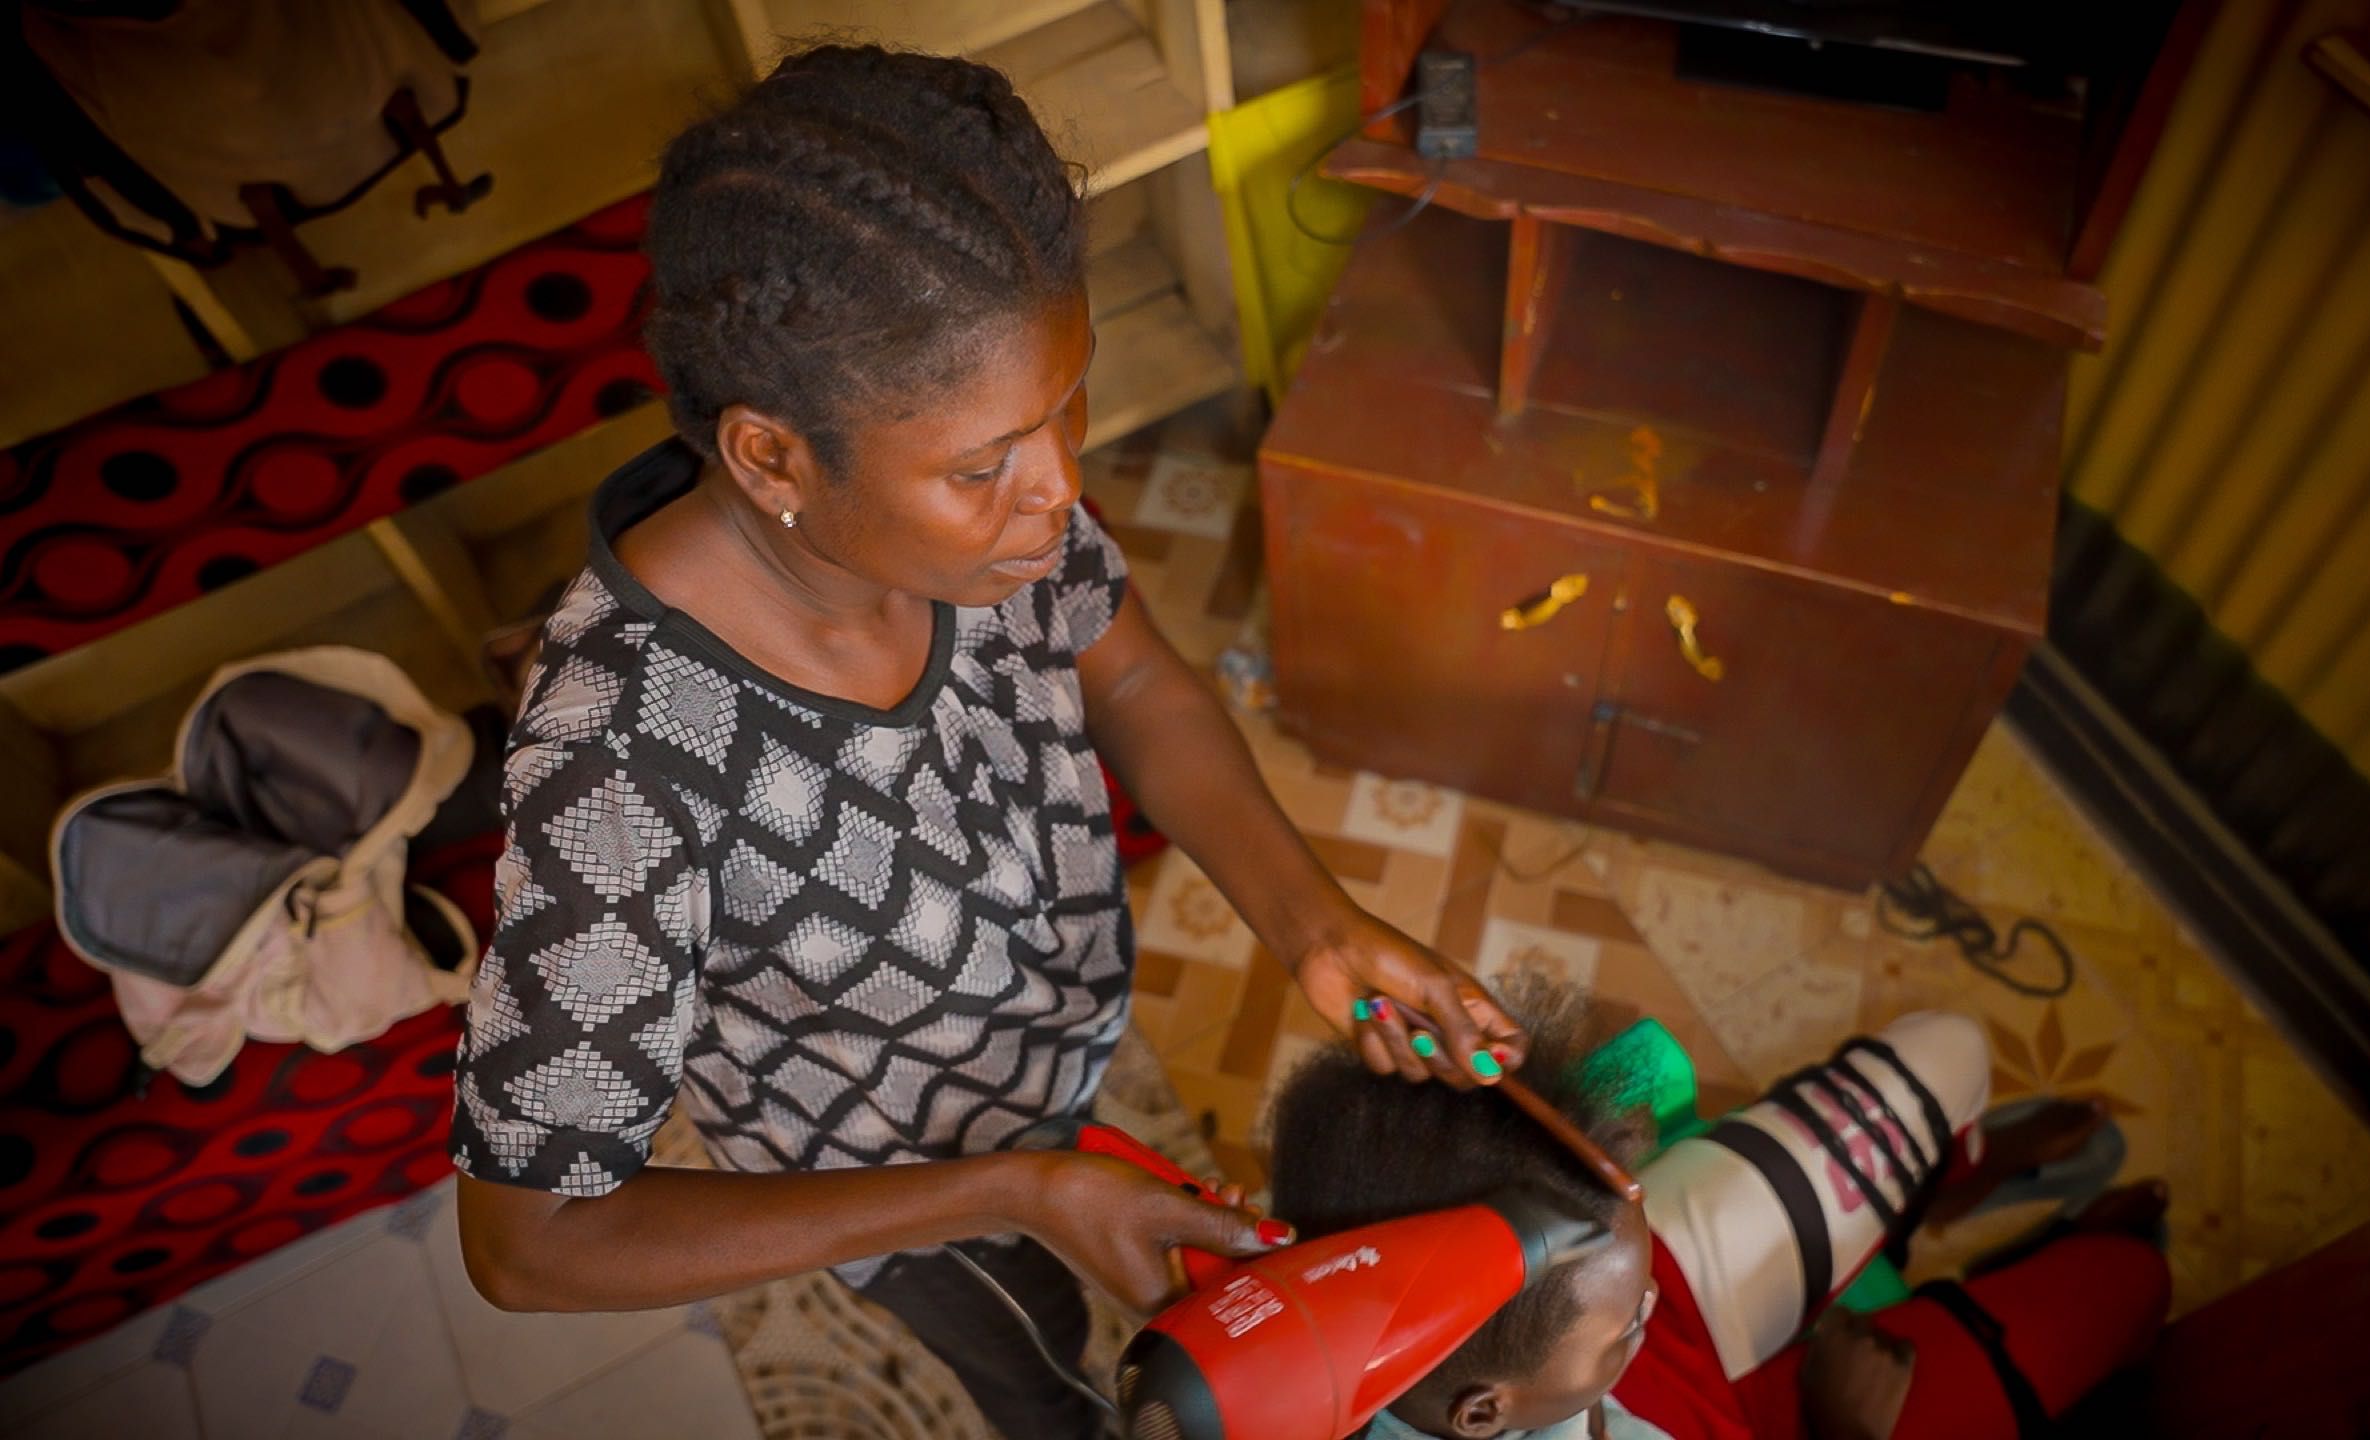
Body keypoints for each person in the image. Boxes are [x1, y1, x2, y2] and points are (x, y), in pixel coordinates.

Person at [445, 43, 1524, 1440]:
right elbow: (531, 1240)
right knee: (1064, 1382)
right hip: (916, 1201)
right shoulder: (620, 768)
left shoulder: (997, 525)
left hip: (1050, 1053)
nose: (1058, 489)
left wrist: (1311, 920)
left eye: (1064, 408)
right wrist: (1009, 1193)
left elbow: (1136, 683)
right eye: (983, 466)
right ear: (773, 458)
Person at [1270, 988, 2173, 1440]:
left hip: (1585, 1315)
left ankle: (1942, 1189)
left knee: (1952, 1047)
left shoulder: (1286, 1326)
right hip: (1775, 1413)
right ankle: (1947, 1207)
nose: (1648, 1303)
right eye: (1631, 1322)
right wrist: (1843, 1430)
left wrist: (1591, 1183)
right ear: (1484, 1414)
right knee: (2132, 1279)